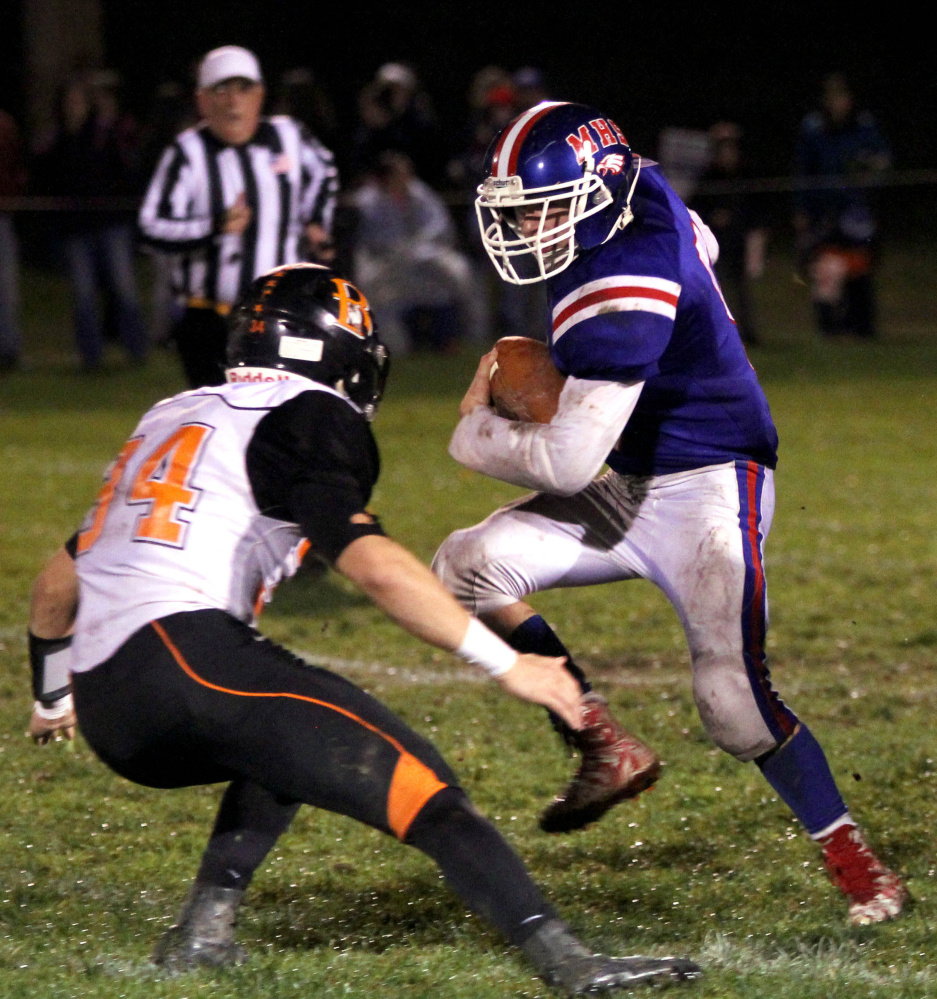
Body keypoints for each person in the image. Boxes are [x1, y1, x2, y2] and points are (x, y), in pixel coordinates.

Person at [27, 262, 699, 992]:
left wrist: (52, 698)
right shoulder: (311, 412)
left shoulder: (173, 414)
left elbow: (56, 582)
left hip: (110, 702)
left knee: (283, 732)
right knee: (422, 782)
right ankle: (570, 965)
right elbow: (372, 565)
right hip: (185, 663)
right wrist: (507, 663)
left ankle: (202, 931)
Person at [431, 101, 907, 927]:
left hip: (713, 482)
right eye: (517, 211)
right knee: (465, 565)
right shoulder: (639, 191)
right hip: (635, 477)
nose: (526, 228)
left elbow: (566, 461)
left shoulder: (624, 280)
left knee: (733, 706)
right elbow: (706, 244)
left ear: (594, 194)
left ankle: (857, 865)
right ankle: (598, 737)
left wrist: (473, 428)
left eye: (542, 208)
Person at [138, 46, 339, 388]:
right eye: (221, 90)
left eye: (244, 89)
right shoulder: (188, 152)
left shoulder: (288, 136)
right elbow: (151, 227)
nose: (234, 101)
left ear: (259, 95)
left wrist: (316, 222)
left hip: (281, 315)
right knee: (221, 414)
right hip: (210, 318)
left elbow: (324, 173)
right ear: (202, 101)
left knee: (284, 410)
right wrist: (213, 226)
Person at [31, 73, 148, 371]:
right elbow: (46, 179)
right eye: (69, 102)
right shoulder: (56, 139)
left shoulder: (103, 134)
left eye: (79, 102)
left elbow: (123, 171)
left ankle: (136, 350)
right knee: (83, 295)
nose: (74, 107)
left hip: (110, 223)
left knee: (123, 288)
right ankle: (91, 357)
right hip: (76, 229)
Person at [353, 150, 484, 354]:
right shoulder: (369, 200)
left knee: (460, 270)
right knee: (369, 284)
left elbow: (441, 227)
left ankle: (477, 334)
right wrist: (403, 249)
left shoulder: (419, 193)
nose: (404, 178)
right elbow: (373, 239)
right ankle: (386, 342)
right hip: (385, 261)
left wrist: (417, 247)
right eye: (397, 174)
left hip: (424, 256)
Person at [794, 74, 891, 338]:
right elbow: (803, 171)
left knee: (859, 266)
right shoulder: (814, 128)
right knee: (826, 266)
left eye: (842, 97)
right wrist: (802, 209)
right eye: (832, 98)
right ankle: (829, 327)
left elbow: (882, 163)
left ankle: (862, 325)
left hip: (856, 209)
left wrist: (869, 171)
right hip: (824, 210)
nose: (838, 103)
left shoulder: (864, 125)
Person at [692, 122, 765, 347]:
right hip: (717, 242)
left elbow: (756, 212)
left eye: (731, 148)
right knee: (716, 288)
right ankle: (717, 333)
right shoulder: (708, 177)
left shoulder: (745, 175)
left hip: (740, 241)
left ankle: (747, 333)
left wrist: (754, 238)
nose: (727, 154)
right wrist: (714, 217)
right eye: (722, 148)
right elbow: (697, 210)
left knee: (742, 289)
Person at [0, 107, 27, 371]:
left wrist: (13, 195)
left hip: (2, 217)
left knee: (7, 289)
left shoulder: (5, 125)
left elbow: (18, 167)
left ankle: (9, 351)